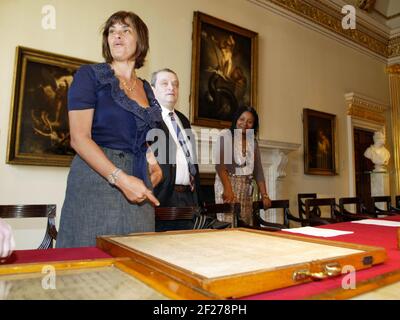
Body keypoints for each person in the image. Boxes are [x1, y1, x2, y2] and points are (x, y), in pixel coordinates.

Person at [56, 11, 162, 248]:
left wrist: (152, 162)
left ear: (141, 41)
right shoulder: (89, 76)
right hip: (96, 181)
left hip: (138, 184)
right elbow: (79, 139)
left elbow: (142, 138)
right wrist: (120, 179)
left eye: (126, 30)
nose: (117, 36)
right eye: (112, 31)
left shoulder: (147, 89)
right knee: (90, 267)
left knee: (138, 264)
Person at [150, 68, 202, 231]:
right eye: (164, 83)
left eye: (175, 84)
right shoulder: (149, 119)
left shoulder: (184, 120)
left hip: (188, 197)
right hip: (163, 197)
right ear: (153, 89)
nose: (171, 88)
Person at [214, 106, 271, 226]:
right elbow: (220, 166)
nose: (244, 124)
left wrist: (264, 195)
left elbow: (258, 171)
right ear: (236, 119)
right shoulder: (226, 135)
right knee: (228, 226)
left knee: (244, 226)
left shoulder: (253, 142)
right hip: (227, 185)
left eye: (250, 122)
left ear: (253, 126)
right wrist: (228, 189)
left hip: (246, 190)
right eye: (242, 119)